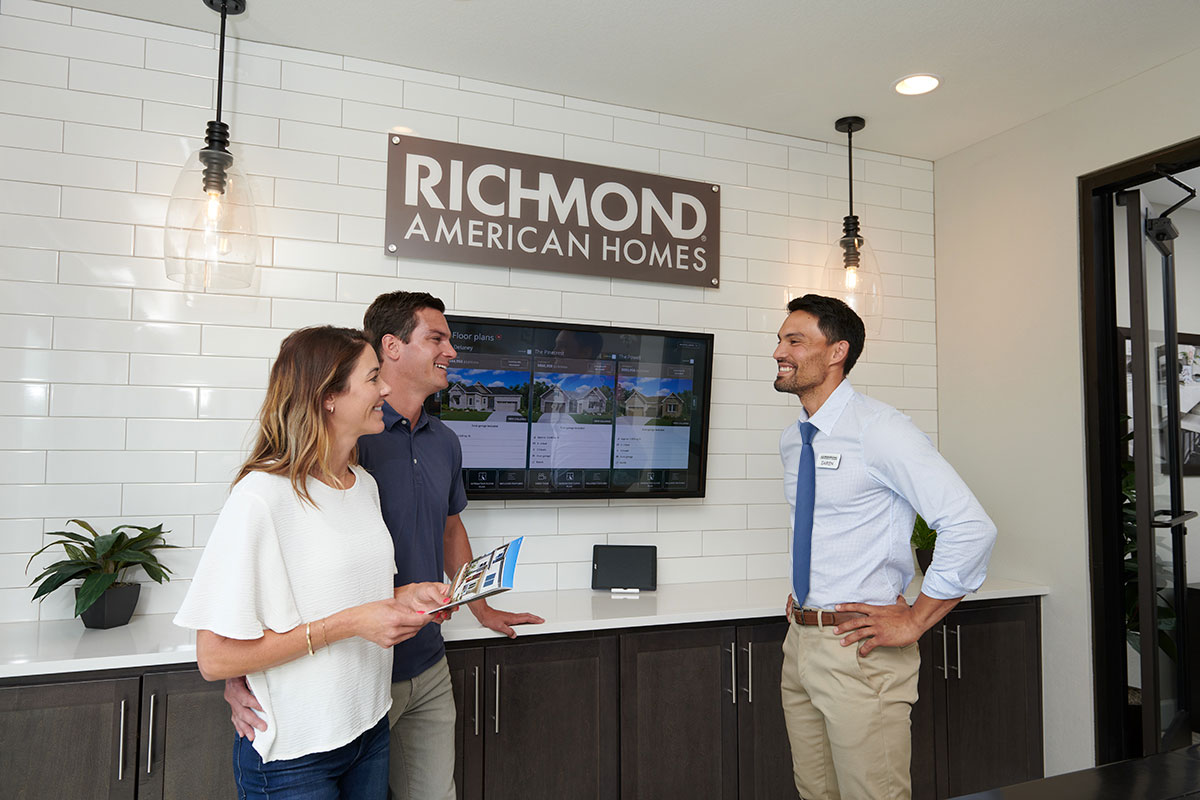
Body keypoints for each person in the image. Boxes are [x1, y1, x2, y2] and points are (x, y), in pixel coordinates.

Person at [226, 292, 545, 800]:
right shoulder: (346, 442)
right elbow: (257, 572)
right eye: (437, 338)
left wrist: (478, 607)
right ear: (392, 347)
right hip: (352, 674)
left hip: (423, 662)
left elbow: (449, 528)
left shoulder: (442, 441)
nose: (452, 352)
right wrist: (242, 672)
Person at [175, 326, 450, 799]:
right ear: (328, 397)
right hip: (296, 753)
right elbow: (214, 657)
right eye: (371, 379)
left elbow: (344, 595)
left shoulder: (362, 485)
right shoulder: (261, 497)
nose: (385, 389)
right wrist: (349, 624)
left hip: (368, 729)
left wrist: (406, 596)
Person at [772, 295, 996, 800]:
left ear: (836, 352)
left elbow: (969, 526)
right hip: (802, 642)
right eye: (780, 339)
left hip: (860, 651)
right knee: (815, 793)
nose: (778, 351)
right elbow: (826, 528)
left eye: (794, 340)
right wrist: (808, 594)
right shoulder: (794, 439)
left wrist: (917, 618)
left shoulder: (880, 429)